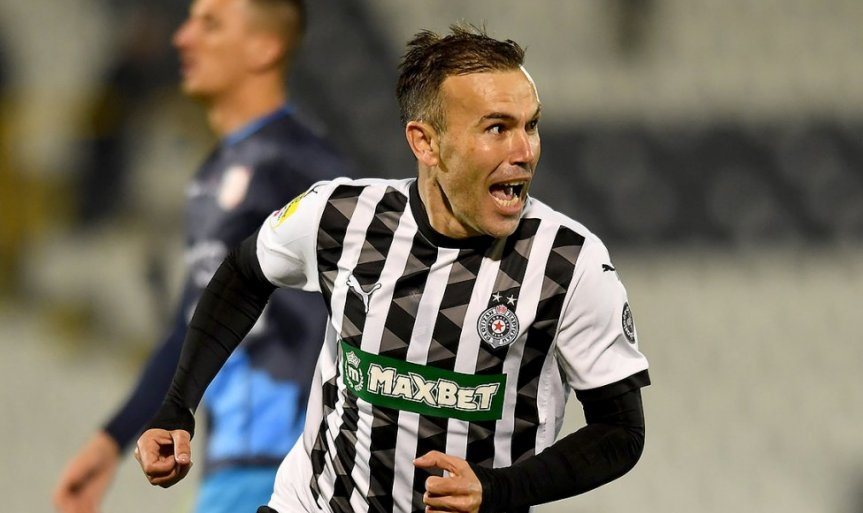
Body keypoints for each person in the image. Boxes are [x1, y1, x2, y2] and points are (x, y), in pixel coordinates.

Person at [135, 24, 650, 513]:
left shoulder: (568, 261)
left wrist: (498, 490)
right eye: (497, 128)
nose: (524, 151)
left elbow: (620, 432)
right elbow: (245, 274)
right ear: (426, 142)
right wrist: (178, 405)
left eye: (530, 125)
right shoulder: (339, 217)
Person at [52, 1, 354, 512]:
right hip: (228, 471)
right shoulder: (213, 175)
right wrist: (111, 441)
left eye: (209, 24)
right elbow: (190, 327)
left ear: (264, 47)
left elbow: (373, 308)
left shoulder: (307, 168)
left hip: (293, 473)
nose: (183, 38)